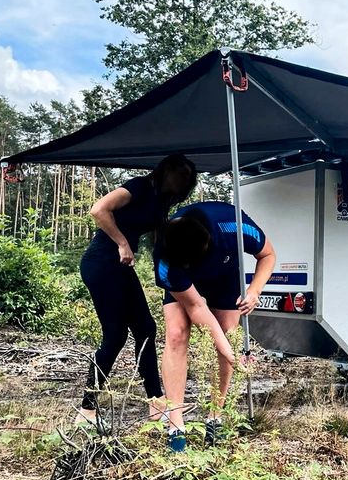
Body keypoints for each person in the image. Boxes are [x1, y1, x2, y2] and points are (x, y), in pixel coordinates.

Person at [77, 154, 197, 427]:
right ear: (166, 171)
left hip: (120, 267)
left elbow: (158, 238)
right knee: (116, 335)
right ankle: (87, 409)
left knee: (146, 328)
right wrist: (122, 242)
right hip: (101, 263)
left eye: (187, 179)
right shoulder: (139, 186)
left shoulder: (163, 201)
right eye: (180, 174)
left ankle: (156, 403)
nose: (182, 181)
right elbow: (99, 210)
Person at [153, 202, 276, 451]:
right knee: (176, 334)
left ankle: (215, 417)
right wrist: (234, 358)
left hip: (224, 274)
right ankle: (175, 424)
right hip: (186, 286)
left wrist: (254, 290)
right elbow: (197, 308)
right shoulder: (166, 258)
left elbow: (268, 255)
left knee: (227, 332)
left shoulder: (236, 229)